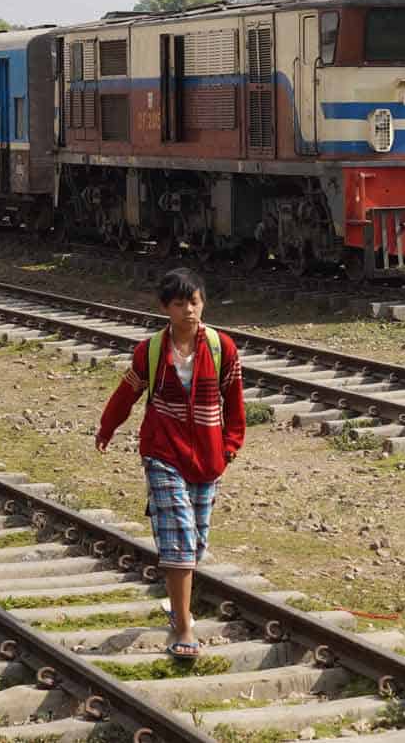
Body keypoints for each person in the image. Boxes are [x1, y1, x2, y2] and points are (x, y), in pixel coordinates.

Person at [96, 268, 245, 659]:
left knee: (195, 543)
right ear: (166, 308)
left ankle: (178, 606)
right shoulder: (151, 351)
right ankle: (182, 627)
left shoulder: (221, 348)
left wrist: (230, 447)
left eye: (194, 302)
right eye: (180, 304)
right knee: (179, 534)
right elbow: (126, 393)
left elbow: (235, 403)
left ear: (203, 303)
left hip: (209, 458)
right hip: (162, 452)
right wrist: (107, 428)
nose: (189, 311)